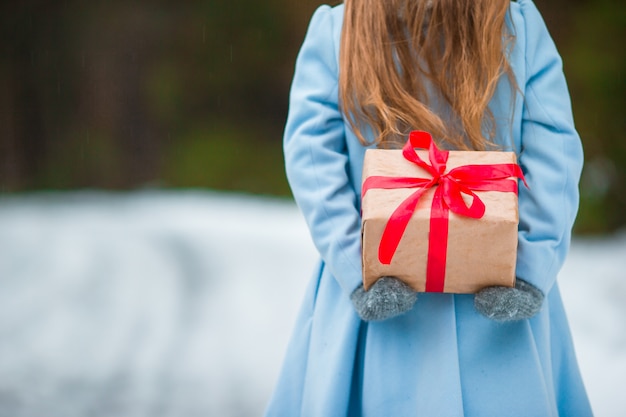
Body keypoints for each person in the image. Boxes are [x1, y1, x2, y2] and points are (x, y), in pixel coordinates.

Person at [265, 0, 593, 416]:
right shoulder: (516, 23)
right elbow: (555, 153)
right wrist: (529, 265)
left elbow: (313, 158)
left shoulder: (340, 28)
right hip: (482, 291)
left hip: (387, 287)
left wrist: (354, 260)